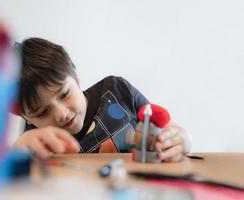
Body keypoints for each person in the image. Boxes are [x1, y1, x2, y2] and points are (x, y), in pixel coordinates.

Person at [14, 37, 190, 162]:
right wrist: (18, 149)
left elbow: (165, 128)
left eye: (64, 94)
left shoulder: (117, 90)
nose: (62, 114)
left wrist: (180, 140)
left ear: (76, 78)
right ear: (26, 117)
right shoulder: (33, 140)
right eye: (43, 112)